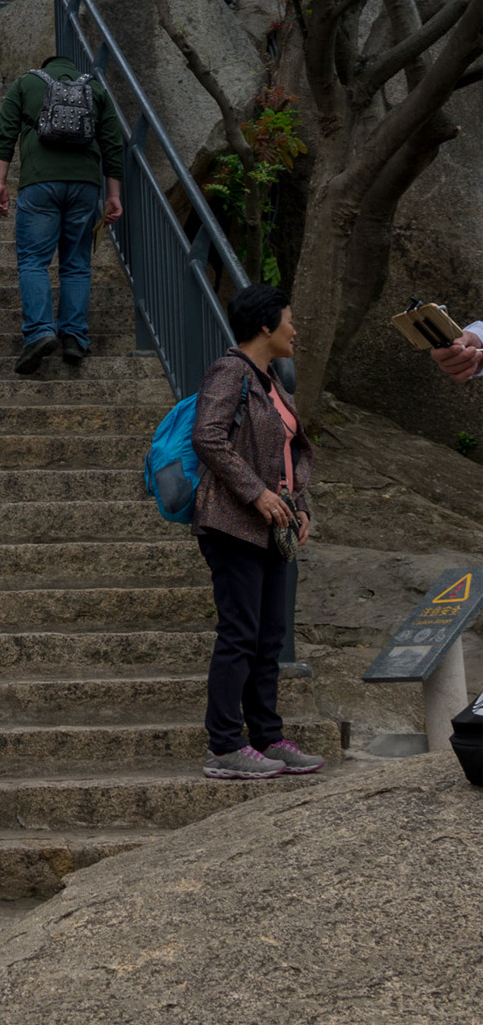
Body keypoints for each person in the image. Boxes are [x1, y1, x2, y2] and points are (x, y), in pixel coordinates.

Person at [190, 285, 325, 782]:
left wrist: (297, 504)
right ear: (266, 326)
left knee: (269, 637)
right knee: (240, 634)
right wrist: (256, 493)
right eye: (289, 320)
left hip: (272, 526)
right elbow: (207, 435)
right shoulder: (231, 371)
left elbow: (290, 453)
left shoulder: (272, 381)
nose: (296, 330)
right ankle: (224, 745)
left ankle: (267, 736)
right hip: (232, 523)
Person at [0, 57, 125, 373]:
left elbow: (6, 133)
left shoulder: (25, 83)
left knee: (34, 261)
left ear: (46, 66)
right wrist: (114, 195)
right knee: (77, 264)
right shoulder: (94, 88)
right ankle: (74, 338)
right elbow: (112, 144)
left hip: (39, 182)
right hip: (85, 186)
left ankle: (40, 332)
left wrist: (0, 182)